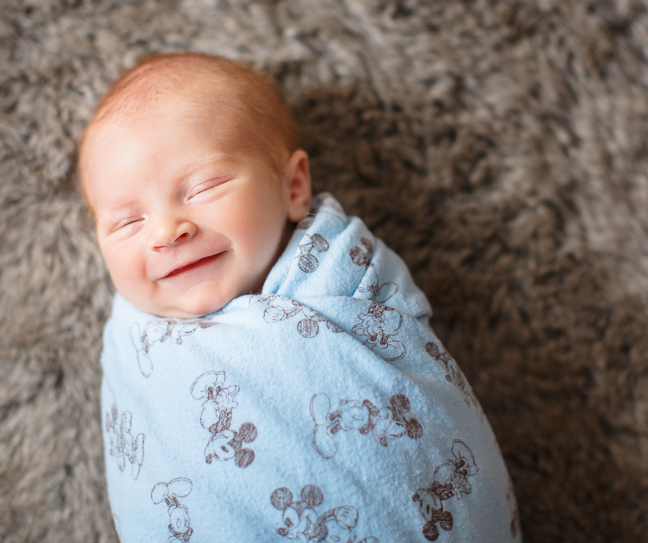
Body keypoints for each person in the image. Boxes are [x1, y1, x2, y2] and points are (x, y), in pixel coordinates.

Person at [79, 52, 521, 542]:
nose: (165, 231)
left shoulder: (347, 276)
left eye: (205, 186)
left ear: (293, 186)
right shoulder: (133, 346)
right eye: (127, 222)